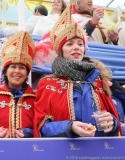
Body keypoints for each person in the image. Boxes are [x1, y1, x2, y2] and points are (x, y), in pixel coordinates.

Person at [33, 5, 121, 138]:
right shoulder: (47, 83)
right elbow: (41, 126)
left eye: (80, 44)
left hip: (99, 153)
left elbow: (114, 120)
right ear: (61, 50)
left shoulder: (97, 79)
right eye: (70, 44)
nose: (76, 47)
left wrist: (112, 123)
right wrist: (69, 127)